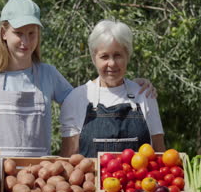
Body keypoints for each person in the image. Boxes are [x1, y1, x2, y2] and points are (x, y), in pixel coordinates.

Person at [0, 0, 155, 157]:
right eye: (18, 33)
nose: (25, 41)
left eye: (32, 33)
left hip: (36, 179)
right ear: (4, 33)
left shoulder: (48, 75)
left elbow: (83, 101)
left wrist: (127, 86)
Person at [59, 19, 165, 158]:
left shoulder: (144, 94)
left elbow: (160, 153)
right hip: (92, 179)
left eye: (118, 55)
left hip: (138, 180)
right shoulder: (77, 98)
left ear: (127, 56)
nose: (112, 63)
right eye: (104, 56)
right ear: (94, 58)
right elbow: (69, 159)